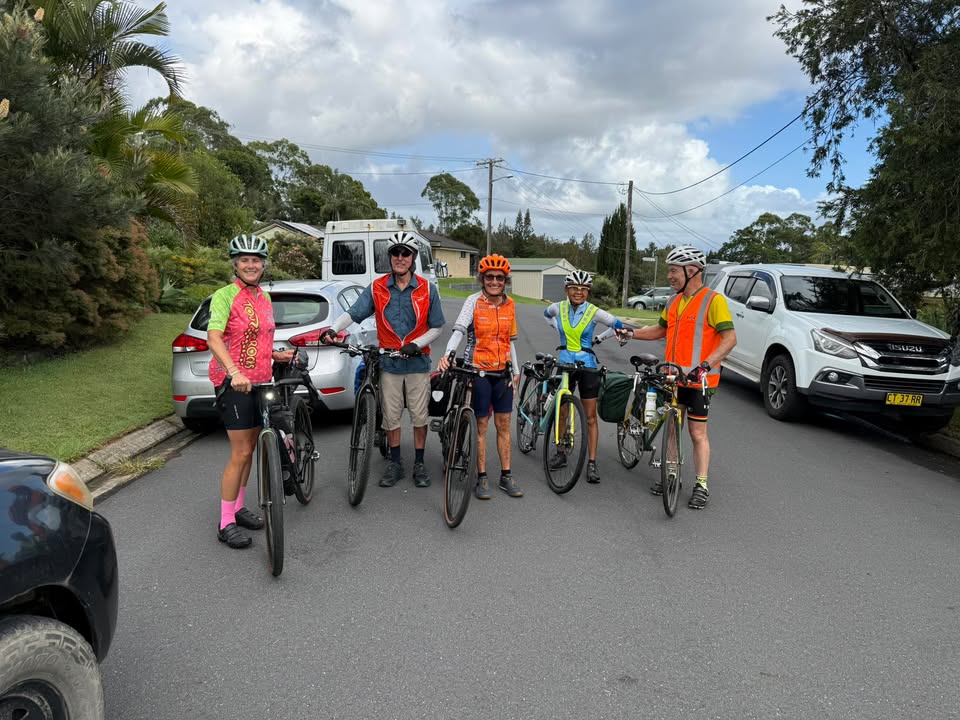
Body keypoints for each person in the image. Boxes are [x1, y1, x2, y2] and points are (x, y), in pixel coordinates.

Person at [617, 245, 737, 509]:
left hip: (698, 381)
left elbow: (730, 339)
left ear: (692, 270)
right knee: (672, 428)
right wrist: (631, 333)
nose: (669, 276)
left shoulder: (713, 301)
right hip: (673, 378)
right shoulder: (673, 301)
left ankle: (701, 485)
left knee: (696, 432)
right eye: (669, 270)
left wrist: (705, 365)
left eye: (673, 271)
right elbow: (659, 330)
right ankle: (671, 474)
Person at [321, 231, 444, 488]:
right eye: (395, 253)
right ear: (390, 257)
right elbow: (354, 313)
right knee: (391, 416)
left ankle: (419, 463)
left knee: (420, 416)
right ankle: (396, 463)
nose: (400, 258)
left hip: (418, 363)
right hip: (390, 364)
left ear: (412, 258)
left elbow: (437, 327)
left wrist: (416, 344)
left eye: (405, 253)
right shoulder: (377, 288)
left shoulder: (426, 289)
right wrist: (333, 329)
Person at [208, 234, 295, 549]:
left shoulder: (264, 298)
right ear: (235, 264)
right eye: (244, 260)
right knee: (241, 452)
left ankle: (239, 507)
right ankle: (225, 521)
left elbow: (259, 340)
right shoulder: (224, 296)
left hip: (262, 380)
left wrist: (276, 356)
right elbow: (215, 338)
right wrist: (233, 372)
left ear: (263, 265)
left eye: (256, 260)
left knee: (252, 449)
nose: (250, 265)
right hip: (233, 382)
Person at [438, 254, 523, 499]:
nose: (494, 281)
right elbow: (458, 330)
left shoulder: (510, 305)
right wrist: (448, 354)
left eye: (499, 278)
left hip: (503, 372)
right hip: (480, 371)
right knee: (483, 425)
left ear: (505, 280)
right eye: (489, 277)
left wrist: (515, 371)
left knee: (504, 425)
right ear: (482, 278)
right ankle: (482, 478)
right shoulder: (473, 301)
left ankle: (506, 476)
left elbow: (510, 342)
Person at [543, 270, 627, 484]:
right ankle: (561, 452)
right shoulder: (558, 307)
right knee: (561, 412)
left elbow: (617, 325)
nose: (578, 292)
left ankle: (591, 462)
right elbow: (546, 314)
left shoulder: (594, 311)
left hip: (588, 367)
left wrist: (599, 339)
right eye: (574, 288)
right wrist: (556, 329)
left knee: (590, 417)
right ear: (566, 290)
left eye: (583, 289)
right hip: (564, 363)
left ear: (588, 292)